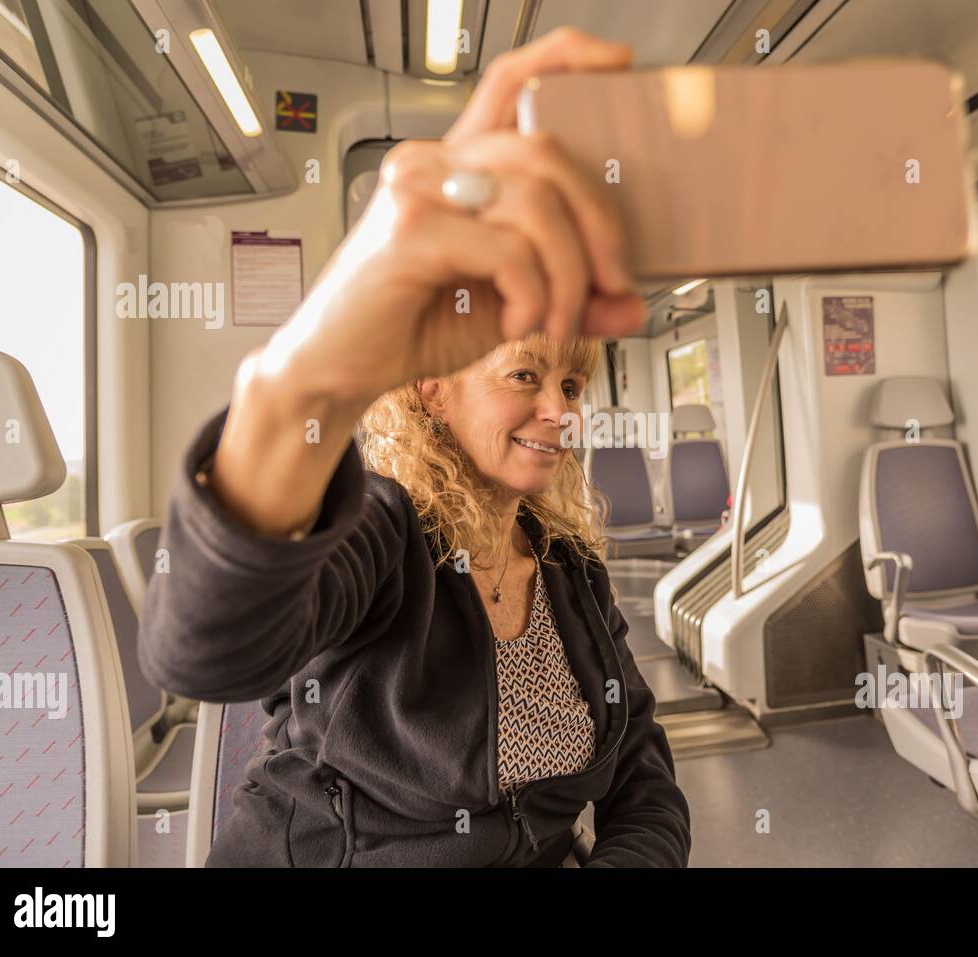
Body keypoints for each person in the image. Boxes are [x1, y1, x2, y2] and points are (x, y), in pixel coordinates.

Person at [137, 26, 690, 867]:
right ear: (434, 384)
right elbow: (204, 650)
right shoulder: (386, 534)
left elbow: (643, 773)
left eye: (572, 386)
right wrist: (309, 380)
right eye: (523, 375)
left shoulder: (568, 565)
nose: (557, 408)